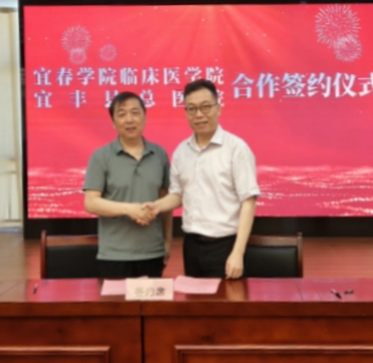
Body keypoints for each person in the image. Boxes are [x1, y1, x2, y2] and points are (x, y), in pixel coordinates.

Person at [147, 79, 260, 279]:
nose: (199, 114)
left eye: (205, 107)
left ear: (219, 108)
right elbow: (177, 195)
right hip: (191, 245)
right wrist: (155, 206)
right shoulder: (182, 151)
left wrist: (237, 253)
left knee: (228, 299)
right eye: (192, 109)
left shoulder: (236, 149)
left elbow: (248, 202)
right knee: (194, 299)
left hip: (226, 245)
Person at [83, 91, 171, 278]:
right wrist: (129, 209)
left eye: (135, 113)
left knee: (152, 299)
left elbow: (166, 203)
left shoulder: (160, 155)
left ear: (145, 117)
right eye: (122, 114)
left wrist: (168, 242)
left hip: (153, 252)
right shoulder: (100, 157)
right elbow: (91, 203)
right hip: (114, 255)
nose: (129, 119)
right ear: (113, 122)